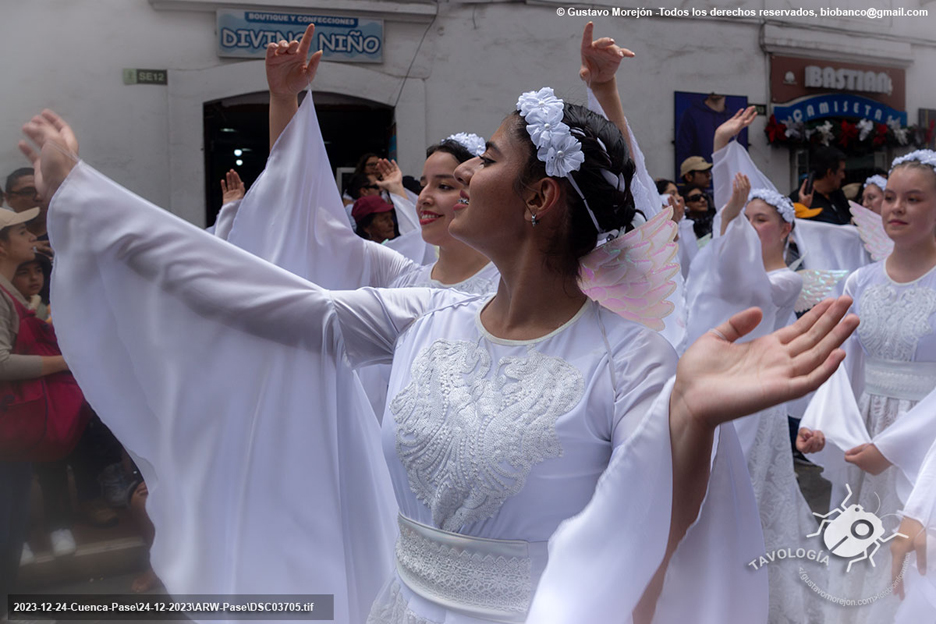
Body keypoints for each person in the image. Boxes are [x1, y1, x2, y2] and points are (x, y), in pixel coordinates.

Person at [798, 150, 936, 624]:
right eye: (890, 198)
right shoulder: (861, 281)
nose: (895, 208)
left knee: (912, 568)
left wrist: (893, 446)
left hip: (924, 445)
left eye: (913, 199)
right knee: (861, 551)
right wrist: (822, 424)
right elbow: (843, 363)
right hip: (864, 434)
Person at [0, 206, 70, 618]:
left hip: (13, 426)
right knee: (7, 518)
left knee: (12, 517)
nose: (31, 236)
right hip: (8, 427)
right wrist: (62, 362)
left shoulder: (10, 289)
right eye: (21, 231)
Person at [790, 146, 851, 225]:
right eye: (841, 171)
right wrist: (802, 210)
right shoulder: (799, 199)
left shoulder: (838, 195)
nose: (843, 176)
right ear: (830, 173)